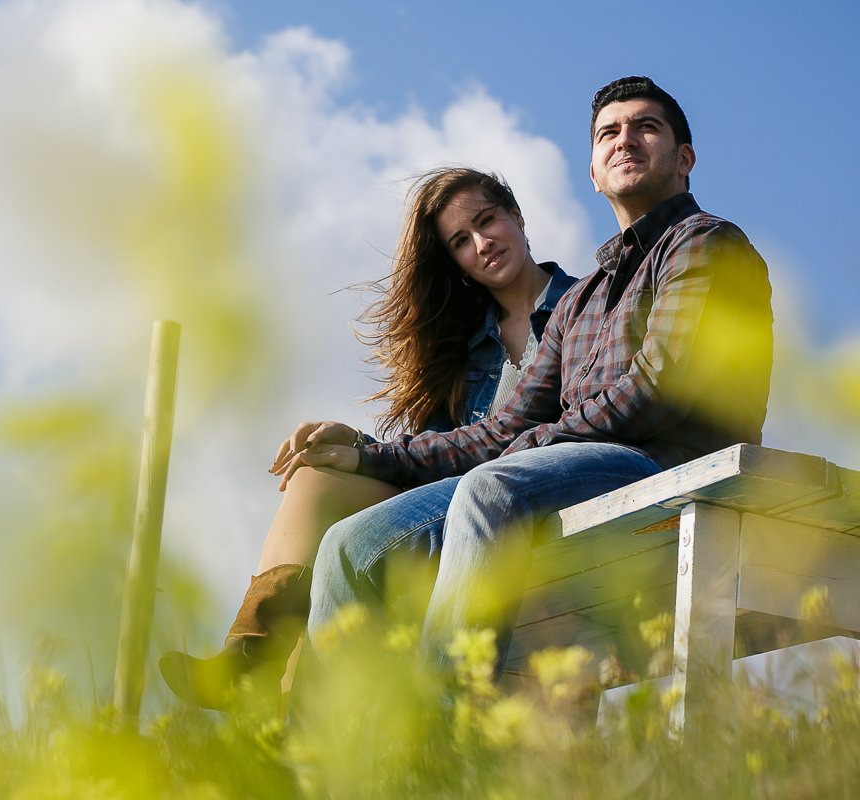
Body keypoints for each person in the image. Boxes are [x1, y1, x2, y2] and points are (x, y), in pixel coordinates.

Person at [305, 76, 774, 672]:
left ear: (684, 159)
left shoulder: (704, 243)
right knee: (351, 545)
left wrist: (538, 442)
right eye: (609, 133)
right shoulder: (582, 301)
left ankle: (442, 730)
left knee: (492, 487)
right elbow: (503, 429)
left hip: (667, 462)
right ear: (594, 175)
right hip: (579, 472)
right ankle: (323, 755)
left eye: (645, 127)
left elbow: (663, 385)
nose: (624, 140)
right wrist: (371, 457)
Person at [159, 167, 577, 708]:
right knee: (314, 476)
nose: (482, 244)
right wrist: (356, 446)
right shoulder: (467, 349)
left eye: (487, 220)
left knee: (346, 544)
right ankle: (252, 657)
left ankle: (282, 716)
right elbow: (434, 450)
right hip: (446, 504)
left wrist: (368, 457)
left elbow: (551, 432)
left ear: (516, 216)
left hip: (518, 499)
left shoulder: (584, 305)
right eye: (460, 241)